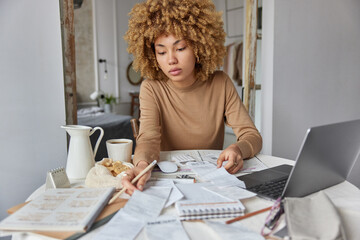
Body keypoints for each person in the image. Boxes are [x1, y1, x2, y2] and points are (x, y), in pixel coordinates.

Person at [121, 0, 262, 195]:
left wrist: (238, 148)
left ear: (198, 47)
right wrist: (142, 164)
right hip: (168, 182)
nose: (171, 59)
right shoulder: (152, 87)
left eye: (180, 48)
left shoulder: (220, 83)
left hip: (211, 182)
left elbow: (251, 135)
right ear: (153, 55)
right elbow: (148, 138)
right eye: (161, 51)